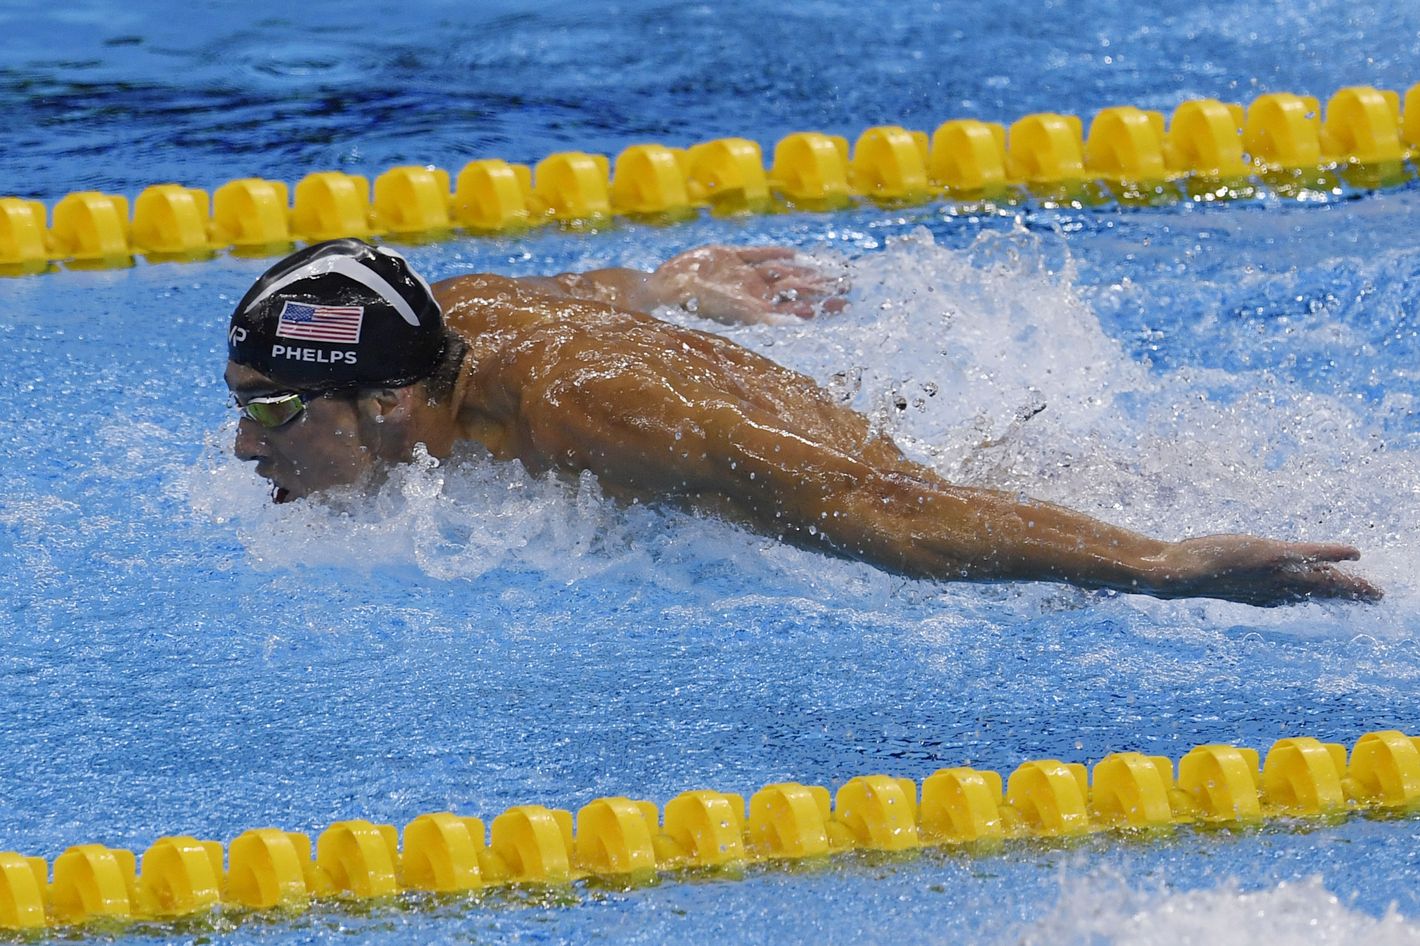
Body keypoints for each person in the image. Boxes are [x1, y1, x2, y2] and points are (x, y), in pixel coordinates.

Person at [224, 238, 1381, 607]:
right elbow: (581, 293)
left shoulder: (589, 414)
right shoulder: (446, 323)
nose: (243, 448)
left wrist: (1164, 565)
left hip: (888, 474)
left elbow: (887, 514)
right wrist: (672, 284)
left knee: (1121, 505)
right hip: (843, 443)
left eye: (273, 411)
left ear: (386, 401)